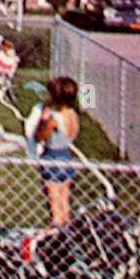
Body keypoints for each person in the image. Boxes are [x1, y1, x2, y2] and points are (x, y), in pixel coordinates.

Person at [34, 76, 81, 226]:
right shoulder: (73, 114)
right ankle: (66, 229)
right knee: (64, 201)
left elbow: (38, 136)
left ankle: (57, 231)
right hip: (66, 156)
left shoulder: (54, 119)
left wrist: (43, 117)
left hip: (52, 157)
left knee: (54, 202)